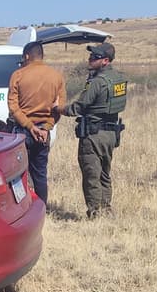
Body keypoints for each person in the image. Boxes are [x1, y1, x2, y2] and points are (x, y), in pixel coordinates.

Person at [52, 42, 128, 218]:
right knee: (104, 173)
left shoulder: (97, 82)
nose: (90, 59)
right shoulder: (118, 78)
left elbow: (78, 107)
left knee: (91, 174)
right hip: (111, 133)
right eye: (91, 56)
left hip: (93, 135)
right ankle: (106, 208)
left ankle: (95, 212)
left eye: (95, 57)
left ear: (105, 61)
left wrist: (59, 108)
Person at [7, 41, 65, 204]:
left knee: (19, 174)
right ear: (42, 55)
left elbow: (13, 107)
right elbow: (59, 108)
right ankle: (41, 208)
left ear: (26, 56)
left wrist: (30, 127)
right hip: (43, 134)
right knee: (40, 173)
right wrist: (46, 128)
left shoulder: (17, 75)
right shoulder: (57, 77)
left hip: (22, 131)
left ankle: (22, 208)